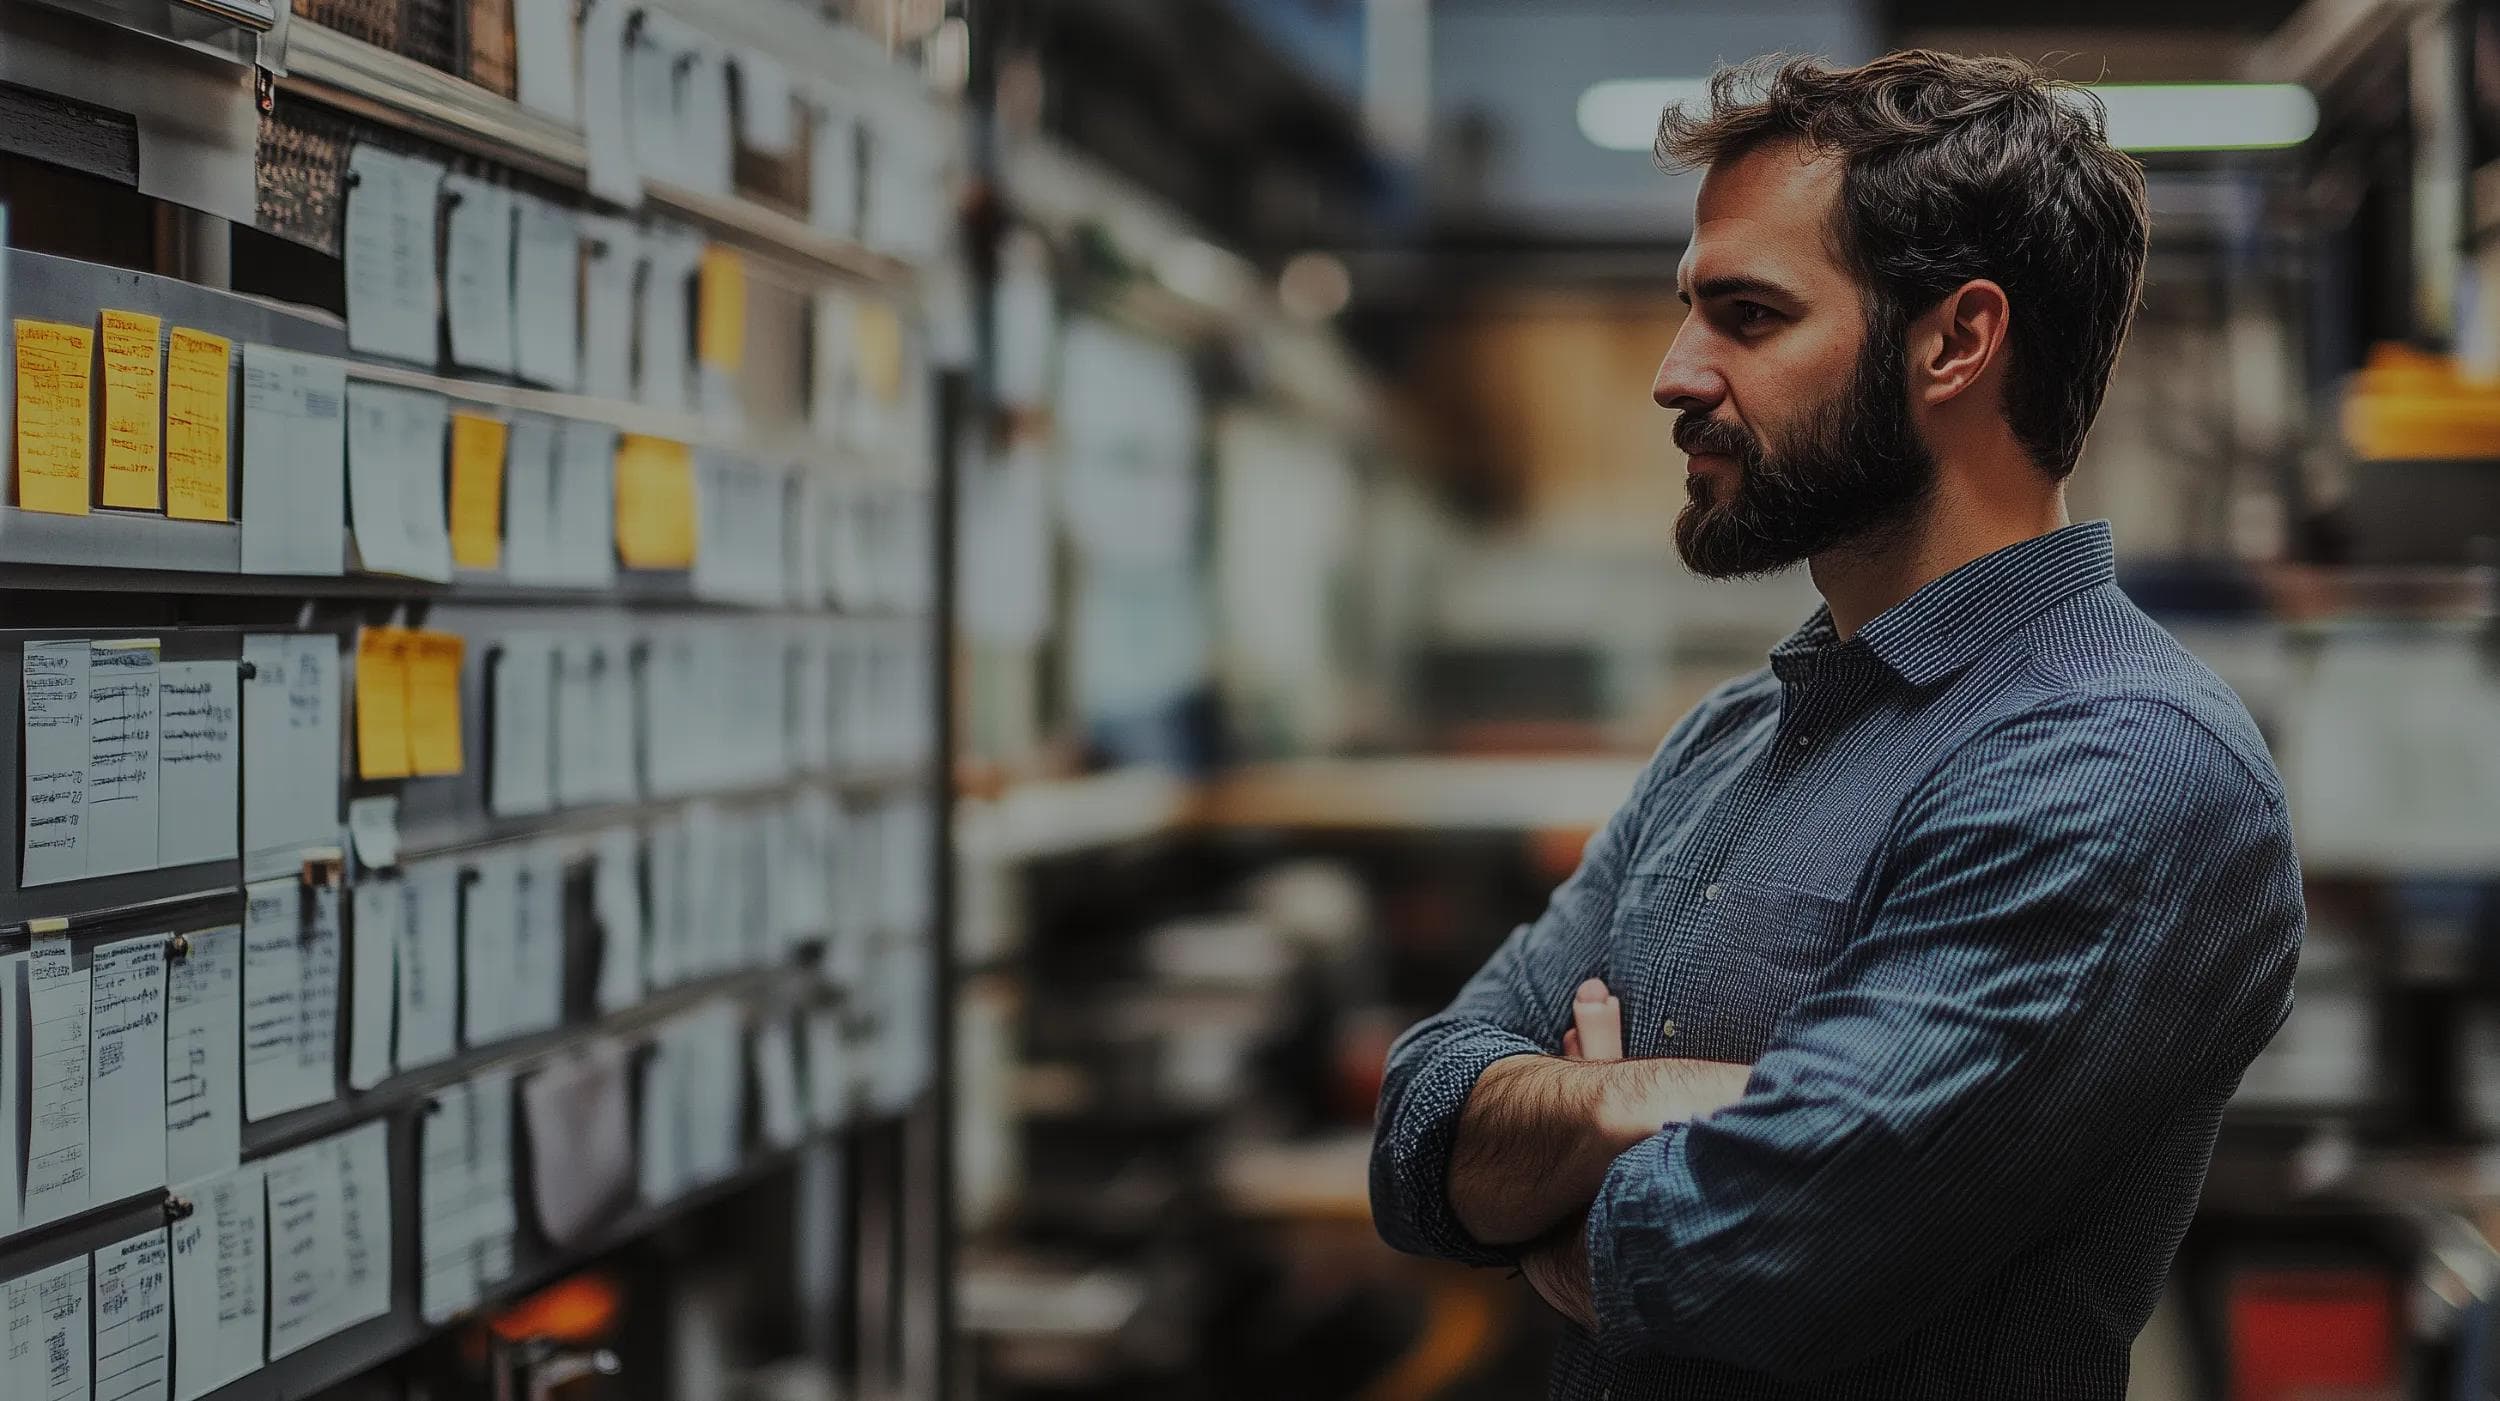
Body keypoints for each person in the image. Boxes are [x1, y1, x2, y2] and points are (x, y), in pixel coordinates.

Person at [1367, 50, 2305, 1400]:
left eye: (1747, 316)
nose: (1674, 374)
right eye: (1691, 309)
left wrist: (1551, 1204)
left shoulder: (2120, 761)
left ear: (1954, 342)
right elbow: (1417, 1126)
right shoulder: (1735, 737)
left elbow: (1740, 1259)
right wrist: (1649, 1100)